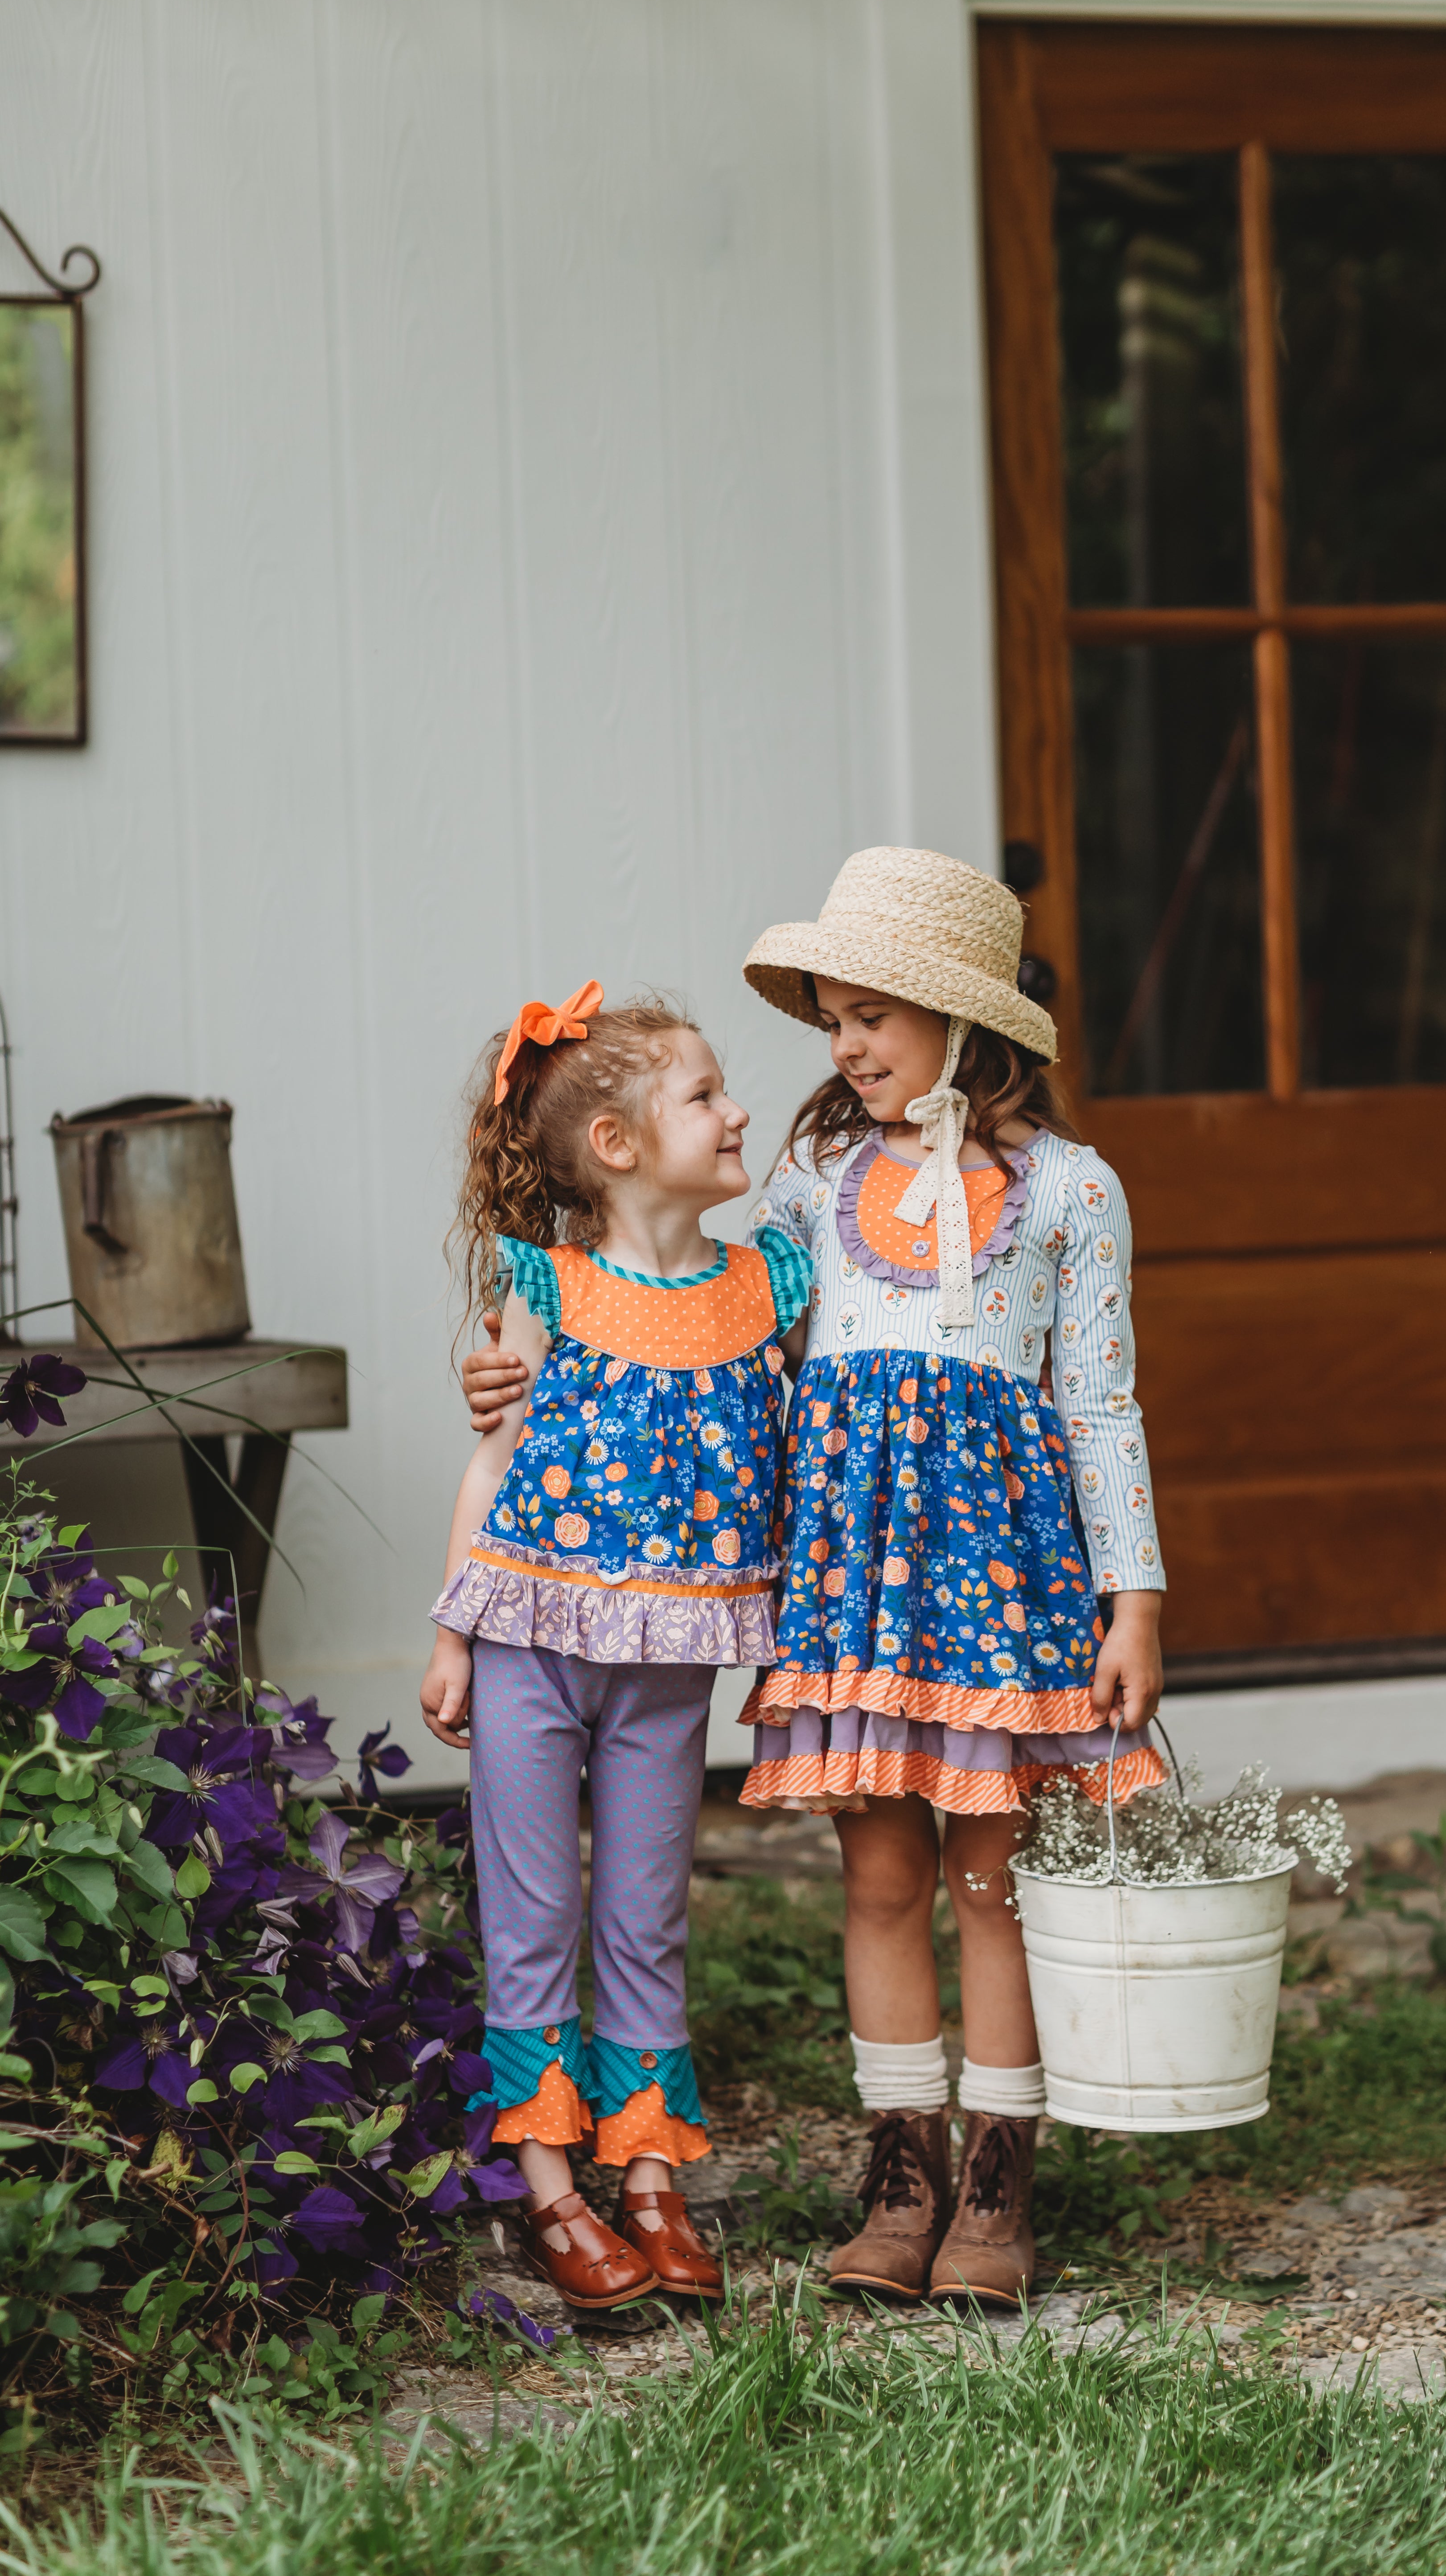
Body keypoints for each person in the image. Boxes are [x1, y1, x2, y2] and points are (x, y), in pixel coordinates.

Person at [461, 854, 1165, 2310]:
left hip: (1006, 1596)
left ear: (967, 1022)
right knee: (883, 1875)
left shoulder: (1071, 1195)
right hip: (851, 1598)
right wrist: (523, 1356)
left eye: (871, 1016)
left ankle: (997, 2176)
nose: (840, 1046)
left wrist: (1135, 1597)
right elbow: (681, 1297)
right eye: (833, 1017)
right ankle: (899, 2166)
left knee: (992, 1883)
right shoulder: (814, 1185)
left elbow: (1100, 1404)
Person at [423, 983, 809, 2312]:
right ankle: (550, 2185)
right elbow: (495, 1462)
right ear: (619, 1145)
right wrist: (453, 1631)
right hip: (529, 1640)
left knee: (646, 1915)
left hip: (670, 1663)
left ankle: (649, 2171)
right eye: (705, 1093)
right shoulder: (546, 1285)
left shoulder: (766, 1284)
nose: (736, 1108)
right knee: (534, 1915)